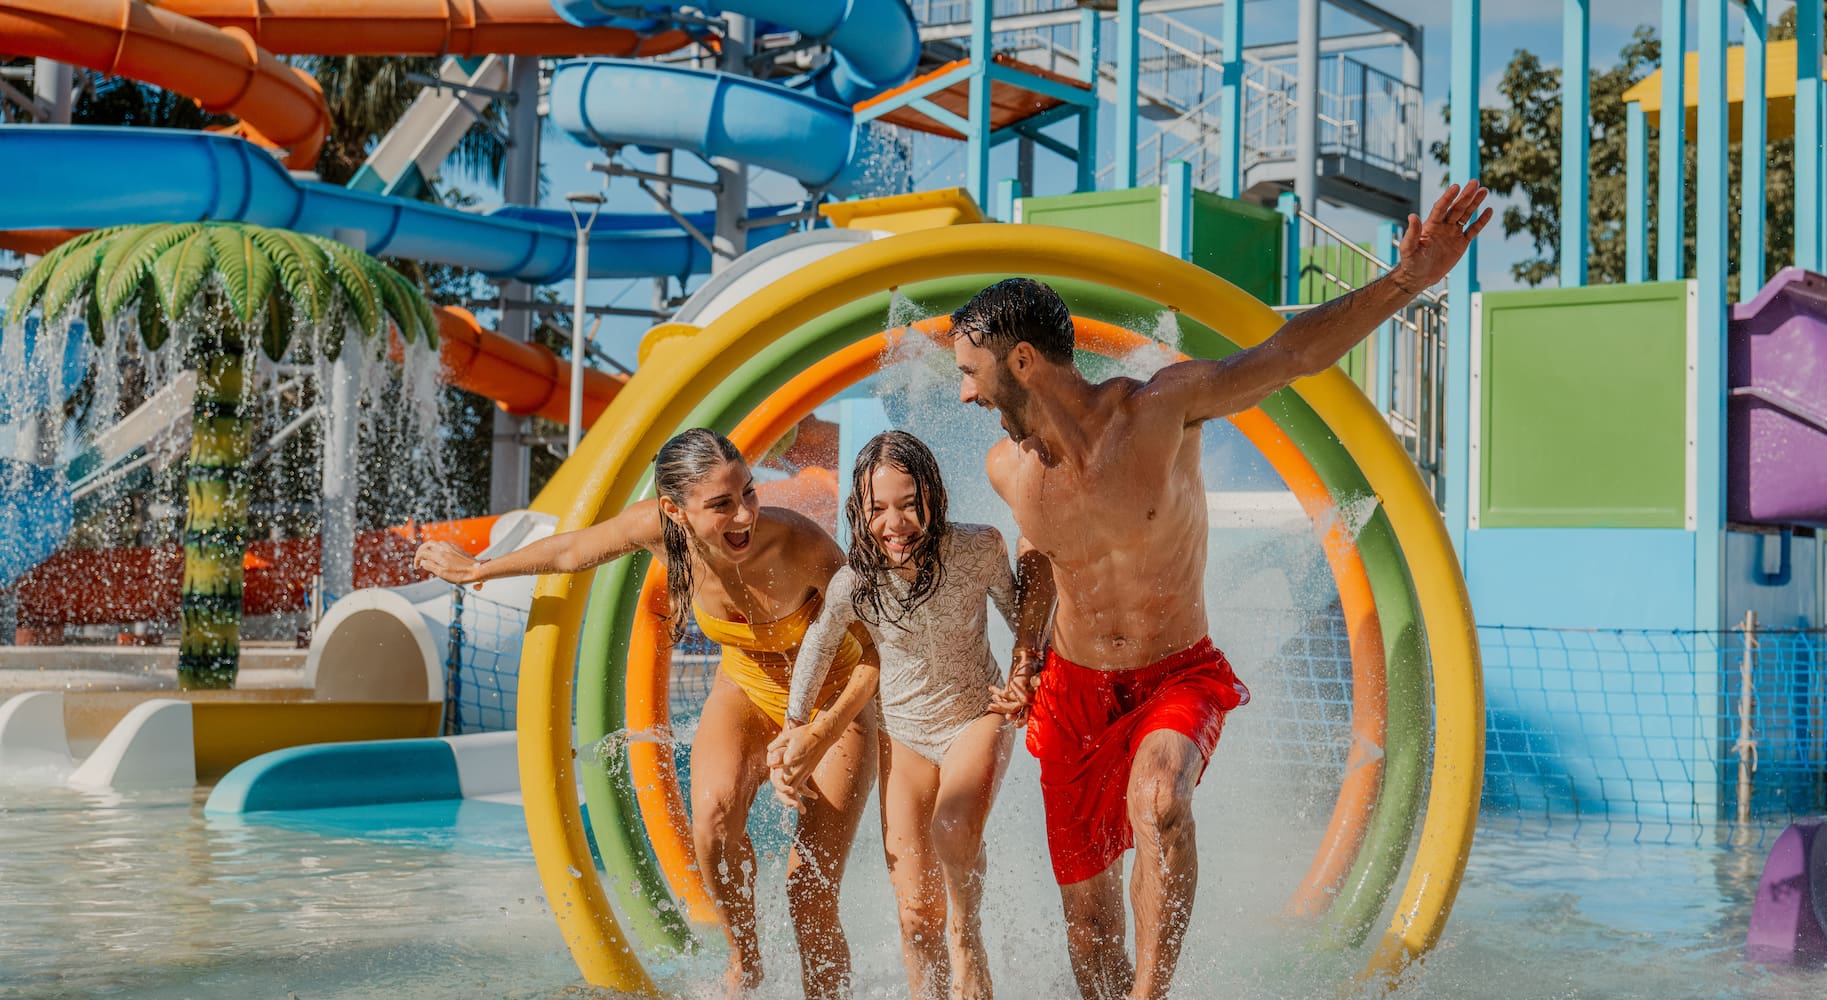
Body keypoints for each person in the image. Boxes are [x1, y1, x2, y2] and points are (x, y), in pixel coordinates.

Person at [964, 182, 1492, 1000]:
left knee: (1161, 801)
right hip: (1070, 694)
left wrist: (1404, 282)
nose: (965, 392)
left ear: (1022, 361)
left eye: (972, 371)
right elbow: (1040, 564)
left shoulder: (1160, 410)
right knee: (1089, 926)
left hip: (1175, 673)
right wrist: (1027, 656)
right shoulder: (1011, 471)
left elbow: (1286, 356)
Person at [413, 428, 880, 1000]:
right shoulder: (658, 532)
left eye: (748, 493)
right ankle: (745, 962)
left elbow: (876, 655)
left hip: (835, 707)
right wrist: (479, 570)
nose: (744, 516)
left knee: (808, 892)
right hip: (746, 691)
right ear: (673, 511)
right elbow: (569, 550)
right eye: (721, 505)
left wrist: (815, 734)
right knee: (711, 823)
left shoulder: (800, 545)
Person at [769, 430, 1053, 1000]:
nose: (894, 523)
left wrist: (1030, 672)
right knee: (916, 912)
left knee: (953, 829)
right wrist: (794, 725)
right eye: (878, 509)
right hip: (903, 731)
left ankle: (967, 936)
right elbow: (819, 647)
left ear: (933, 497)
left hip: (976, 712)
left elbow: (1022, 611)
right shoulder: (857, 582)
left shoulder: (978, 549)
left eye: (908, 504)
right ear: (860, 509)